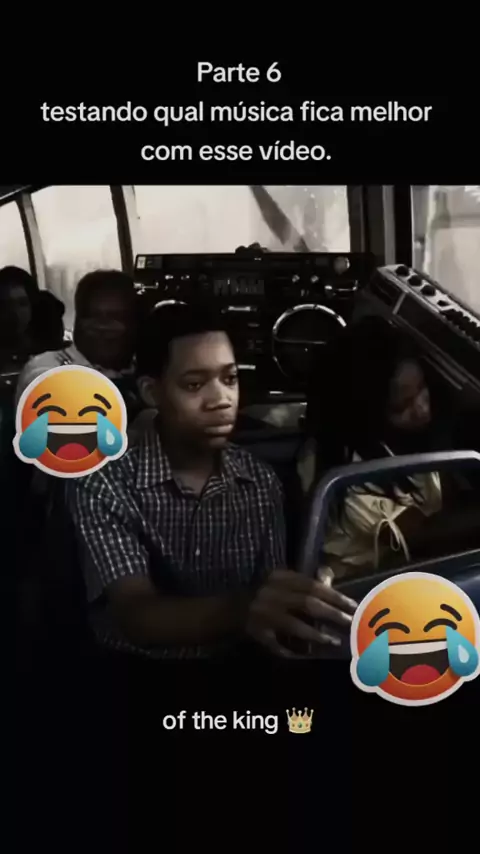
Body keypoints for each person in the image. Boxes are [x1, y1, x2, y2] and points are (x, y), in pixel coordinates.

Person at [66, 304, 356, 659]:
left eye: (230, 379)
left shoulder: (260, 481)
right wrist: (245, 608)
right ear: (152, 392)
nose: (221, 400)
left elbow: (271, 591)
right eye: (194, 385)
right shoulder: (105, 484)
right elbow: (135, 614)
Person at [298, 315, 480, 578]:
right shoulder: (341, 467)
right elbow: (424, 535)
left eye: (422, 388)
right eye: (402, 406)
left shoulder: (411, 434)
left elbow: (446, 499)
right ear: (365, 413)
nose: (422, 408)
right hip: (359, 588)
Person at [16, 269, 140, 414]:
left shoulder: (143, 372)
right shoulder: (47, 370)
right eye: (92, 316)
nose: (102, 327)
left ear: (134, 324)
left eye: (115, 317)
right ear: (77, 320)